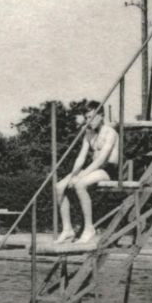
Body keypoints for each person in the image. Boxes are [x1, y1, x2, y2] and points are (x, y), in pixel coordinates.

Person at [54, 105, 120, 245]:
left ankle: (89, 228)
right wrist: (74, 174)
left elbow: (102, 160)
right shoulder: (88, 133)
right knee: (59, 187)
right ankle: (67, 229)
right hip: (94, 169)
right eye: (87, 118)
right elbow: (81, 158)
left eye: (92, 117)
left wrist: (80, 176)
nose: (89, 121)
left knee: (80, 184)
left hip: (108, 170)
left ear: (101, 115)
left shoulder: (110, 133)